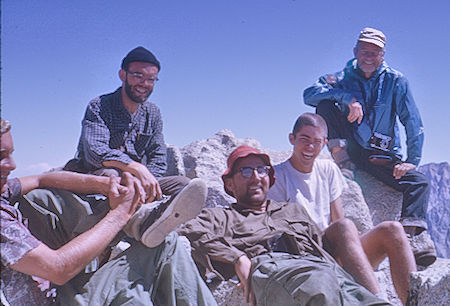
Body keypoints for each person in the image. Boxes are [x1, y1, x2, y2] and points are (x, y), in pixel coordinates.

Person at [1, 119, 217, 305]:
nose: (12, 165)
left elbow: (41, 179)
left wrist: (107, 184)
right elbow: (58, 269)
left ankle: (138, 218)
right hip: (61, 299)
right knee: (167, 246)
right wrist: (120, 213)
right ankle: (134, 219)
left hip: (62, 290)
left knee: (39, 195)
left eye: (11, 154)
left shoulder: (3, 190)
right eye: (2, 155)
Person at [178, 145, 390, 306]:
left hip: (322, 270)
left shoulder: (293, 211)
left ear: (270, 180)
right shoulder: (220, 216)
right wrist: (236, 257)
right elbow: (189, 230)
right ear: (230, 184)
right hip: (276, 270)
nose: (255, 176)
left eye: (261, 170)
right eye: (245, 171)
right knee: (320, 287)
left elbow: (323, 248)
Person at [303, 27, 435, 266]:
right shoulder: (341, 78)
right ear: (355, 51)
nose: (368, 57)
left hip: (381, 155)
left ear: (382, 55)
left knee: (419, 182)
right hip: (352, 150)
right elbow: (309, 94)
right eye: (365, 51)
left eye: (375, 53)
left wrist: (411, 160)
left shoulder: (396, 81)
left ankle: (410, 238)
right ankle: (344, 162)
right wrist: (345, 98)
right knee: (324, 105)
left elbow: (412, 121)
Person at [268, 113, 416, 305]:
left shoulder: (328, 169)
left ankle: (416, 301)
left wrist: (350, 253)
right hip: (307, 259)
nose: (310, 147)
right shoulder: (277, 177)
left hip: (335, 256)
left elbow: (337, 219)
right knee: (344, 226)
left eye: (317, 141)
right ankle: (378, 302)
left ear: (324, 143)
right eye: (304, 139)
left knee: (392, 230)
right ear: (292, 138)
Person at [64, 46, 189, 205]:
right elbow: (96, 153)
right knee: (112, 175)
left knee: (184, 185)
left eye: (151, 79)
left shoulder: (153, 113)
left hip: (140, 181)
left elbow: (158, 157)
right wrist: (136, 168)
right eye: (138, 76)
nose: (144, 83)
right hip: (100, 177)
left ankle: (149, 211)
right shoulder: (99, 106)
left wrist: (148, 180)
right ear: (123, 75)